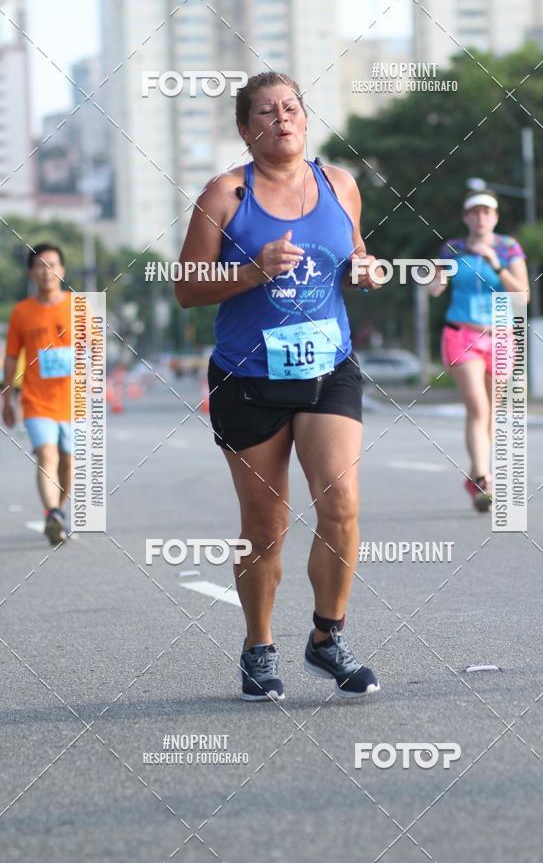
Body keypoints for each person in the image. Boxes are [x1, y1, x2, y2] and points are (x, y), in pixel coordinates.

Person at [176, 72, 383, 701]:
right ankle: (259, 646)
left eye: (291, 107)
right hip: (249, 377)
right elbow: (186, 286)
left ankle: (327, 637)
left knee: (341, 501)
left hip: (328, 368)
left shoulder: (339, 185)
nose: (282, 118)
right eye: (266, 112)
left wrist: (367, 268)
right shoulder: (224, 196)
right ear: (246, 130)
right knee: (266, 524)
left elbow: (353, 254)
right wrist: (250, 271)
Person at [429, 190, 529, 512]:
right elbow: (434, 286)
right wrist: (436, 280)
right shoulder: (453, 249)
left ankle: (475, 476)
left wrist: (496, 264)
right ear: (466, 218)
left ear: (495, 218)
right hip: (462, 335)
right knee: (478, 408)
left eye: (487, 212)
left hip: (499, 337)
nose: (481, 217)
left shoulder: (507, 248)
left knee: (491, 413)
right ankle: (485, 479)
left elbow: (522, 297)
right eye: (475, 212)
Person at [3, 244, 72, 544]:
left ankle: (59, 510)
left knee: (68, 461)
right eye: (41, 266)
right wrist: (7, 395)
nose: (47, 272)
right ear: (32, 273)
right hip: (36, 400)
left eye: (53, 265)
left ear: (63, 270)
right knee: (47, 454)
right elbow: (10, 357)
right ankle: (53, 514)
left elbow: (94, 350)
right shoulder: (22, 312)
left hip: (73, 401)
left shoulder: (77, 307)